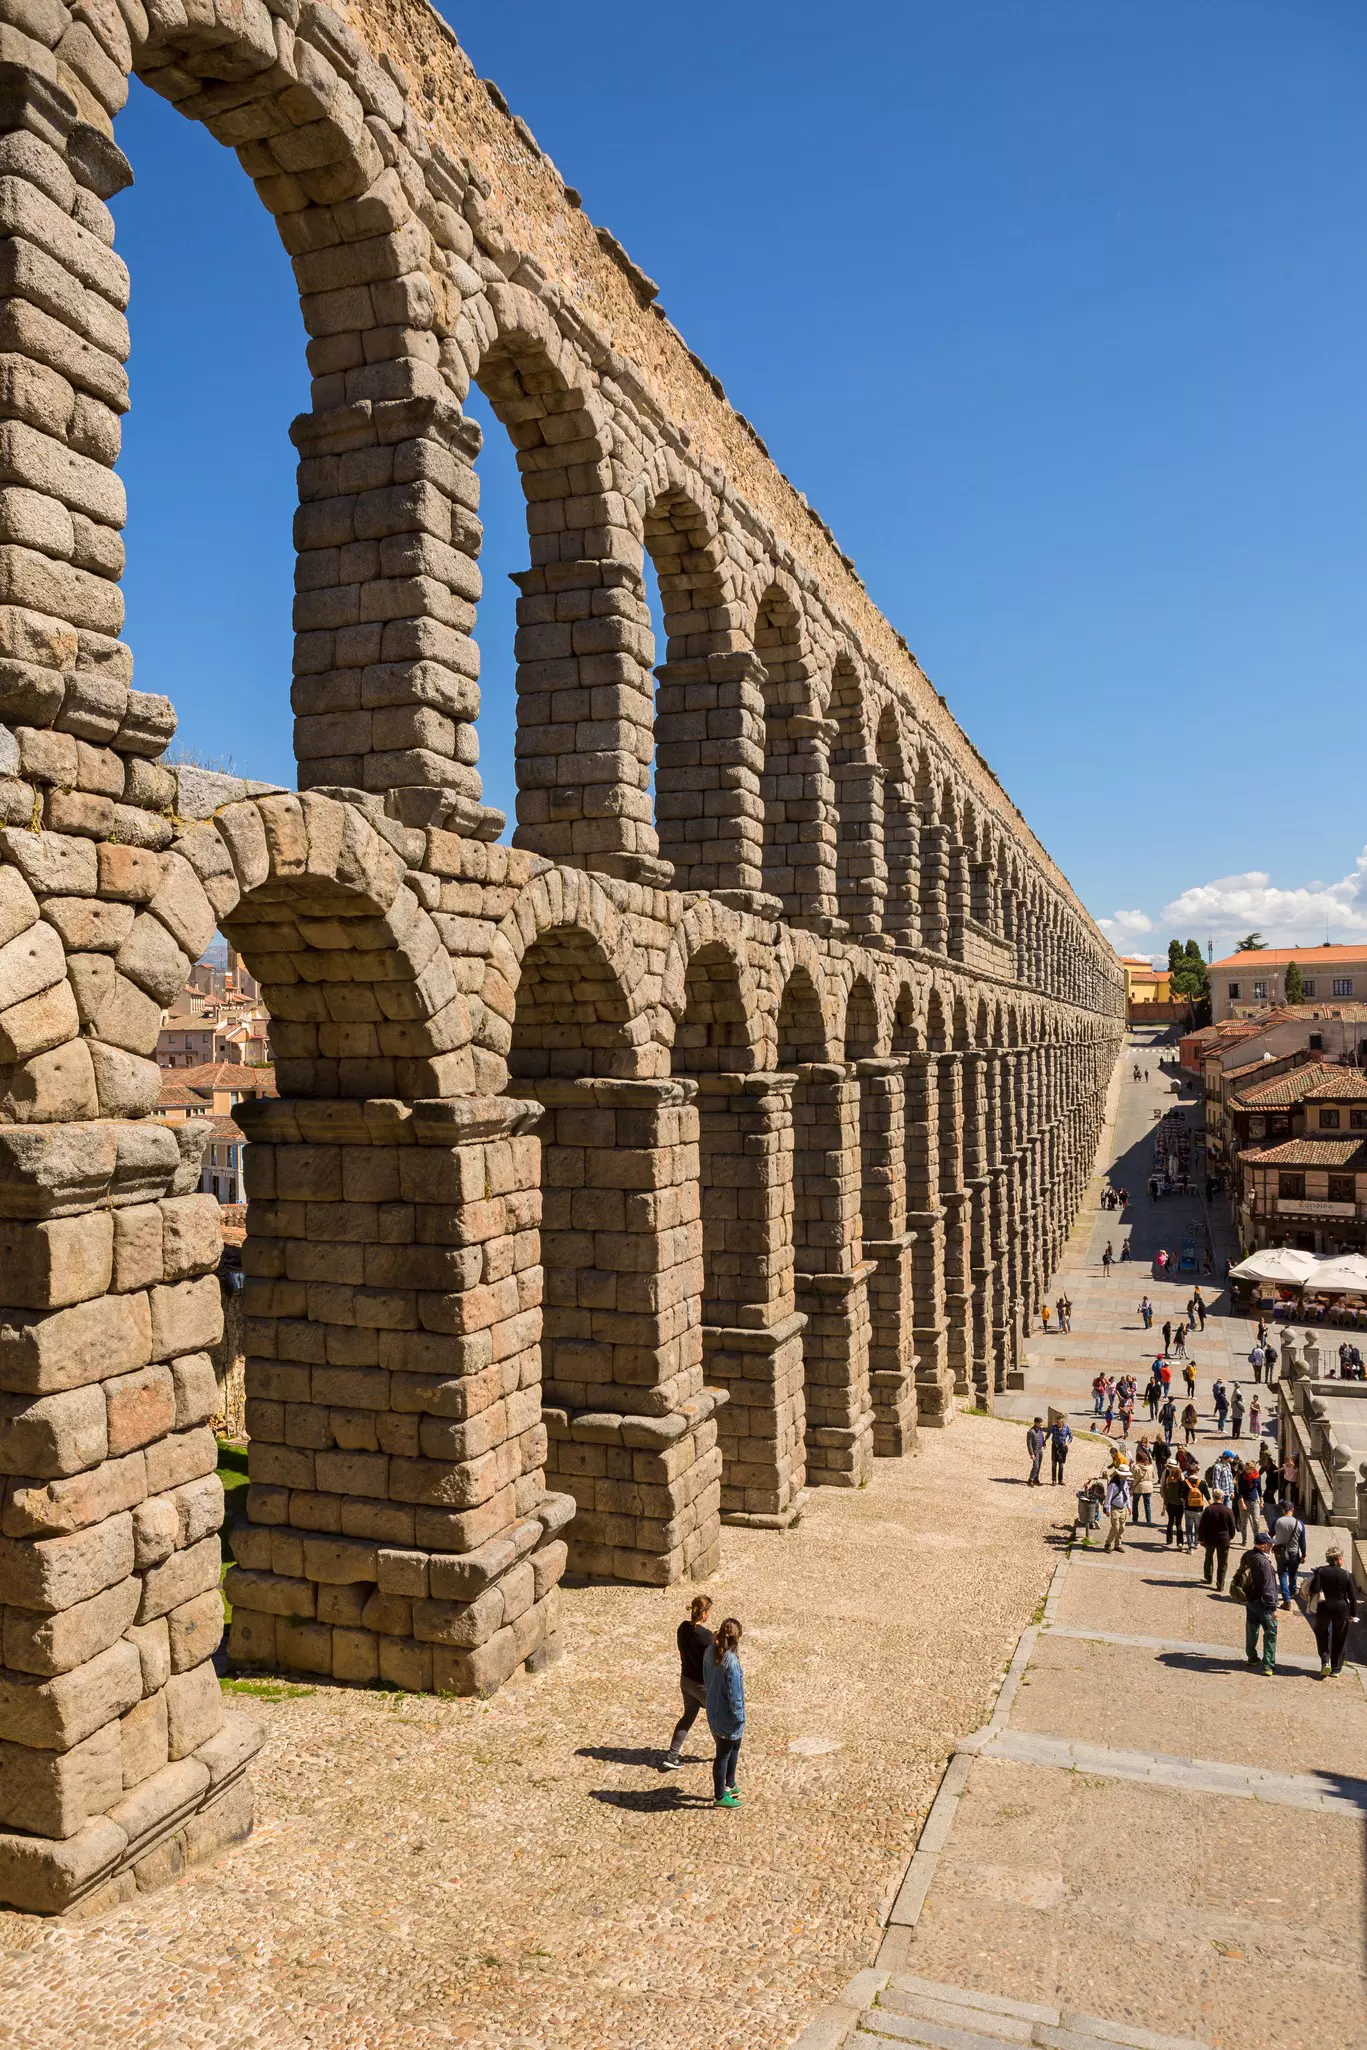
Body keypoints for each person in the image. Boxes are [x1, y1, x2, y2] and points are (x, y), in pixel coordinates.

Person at [660, 1594, 714, 1770]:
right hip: (701, 1684)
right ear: (704, 1614)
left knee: (688, 1716)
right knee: (717, 1716)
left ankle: (672, 1755)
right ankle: (725, 1752)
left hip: (686, 1681)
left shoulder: (682, 1628)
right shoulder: (706, 1637)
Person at [703, 1617, 745, 1807]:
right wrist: (740, 1718)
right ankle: (720, 1796)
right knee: (723, 1754)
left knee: (733, 1747)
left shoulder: (710, 1651)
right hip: (727, 1716)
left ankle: (730, 1783)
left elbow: (705, 1677)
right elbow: (735, 1696)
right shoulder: (732, 1663)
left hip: (712, 1708)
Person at [1305, 1544, 1358, 1677]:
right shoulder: (1346, 1574)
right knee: (1339, 1638)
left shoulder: (1321, 1571)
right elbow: (1352, 1597)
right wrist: (1353, 1614)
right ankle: (1336, 1669)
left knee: (1321, 1632)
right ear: (1338, 1559)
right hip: (1341, 1608)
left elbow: (1315, 1589)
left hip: (1324, 1606)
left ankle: (1325, 1661)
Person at [1236, 1534, 1280, 1675]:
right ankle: (1268, 1665)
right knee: (1270, 1634)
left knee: (1252, 1630)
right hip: (1265, 1604)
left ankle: (1252, 1657)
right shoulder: (1264, 1563)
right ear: (1263, 1546)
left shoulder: (1248, 1555)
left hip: (1251, 1601)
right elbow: (1268, 1587)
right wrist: (1274, 1607)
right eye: (1270, 1544)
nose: (1272, 1546)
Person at [1270, 1501, 1305, 1611]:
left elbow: (1270, 1535)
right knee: (1293, 1573)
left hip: (1280, 1552)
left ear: (1283, 1510)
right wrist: (1303, 1554)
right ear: (1292, 1510)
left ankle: (1286, 1600)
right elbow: (1302, 1542)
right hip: (1294, 1552)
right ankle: (1293, 1590)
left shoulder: (1277, 1521)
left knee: (1282, 1575)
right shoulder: (1299, 1523)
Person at [1198, 1491, 1235, 1592]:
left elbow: (1202, 1526)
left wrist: (1201, 1539)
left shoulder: (1208, 1509)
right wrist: (1230, 1537)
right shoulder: (1228, 1510)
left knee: (1209, 1557)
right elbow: (1232, 1527)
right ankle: (1220, 1584)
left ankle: (1208, 1576)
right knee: (1223, 1563)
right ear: (1222, 1497)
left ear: (1213, 1497)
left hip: (1210, 1539)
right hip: (1224, 1539)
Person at [1103, 1462, 1131, 1552]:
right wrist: (1107, 1509)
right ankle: (1108, 1544)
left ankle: (1117, 1544)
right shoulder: (1113, 1484)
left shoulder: (1125, 1482)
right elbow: (1108, 1497)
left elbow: (1126, 1494)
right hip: (1114, 1508)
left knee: (1122, 1528)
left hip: (1123, 1508)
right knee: (1115, 1527)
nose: (1127, 1477)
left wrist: (1129, 1506)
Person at [1235, 1461, 1264, 1546]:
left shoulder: (1257, 1476)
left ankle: (1256, 1540)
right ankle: (1244, 1540)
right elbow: (1239, 1491)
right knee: (1244, 1522)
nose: (1245, 1469)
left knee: (1256, 1521)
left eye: (1247, 1469)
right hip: (1244, 1501)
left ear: (1253, 1469)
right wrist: (1242, 1503)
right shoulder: (1241, 1476)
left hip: (1254, 1501)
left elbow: (1259, 1489)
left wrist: (1261, 1501)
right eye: (1245, 1468)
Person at [1161, 1455, 1187, 1549]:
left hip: (1170, 1505)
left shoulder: (1169, 1483)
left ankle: (1169, 1540)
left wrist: (1164, 1507)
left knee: (1170, 1522)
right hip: (1179, 1505)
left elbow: (1166, 1496)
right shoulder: (1181, 1483)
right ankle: (1180, 1542)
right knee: (1179, 1524)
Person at [1130, 1439, 1155, 1525]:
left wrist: (1132, 1466)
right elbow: (1153, 1476)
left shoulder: (1136, 1467)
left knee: (1135, 1503)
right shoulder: (1150, 1467)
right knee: (1147, 1504)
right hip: (1148, 1487)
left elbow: (1132, 1476)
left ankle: (1135, 1518)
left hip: (1138, 1487)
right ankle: (1149, 1520)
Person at [1183, 1465, 1205, 1551]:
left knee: (1188, 1528)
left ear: (1188, 1472)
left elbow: (1181, 1495)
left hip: (1188, 1508)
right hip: (1199, 1509)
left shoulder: (1184, 1483)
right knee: (1198, 1527)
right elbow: (1207, 1496)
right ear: (1196, 1472)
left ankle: (1190, 1546)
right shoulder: (1202, 1483)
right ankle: (1196, 1542)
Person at [1050, 1416, 1072, 1485]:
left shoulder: (1066, 1427)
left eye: (1058, 1422)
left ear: (1062, 1422)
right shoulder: (1053, 1427)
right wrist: (1044, 1441)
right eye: (1056, 1422)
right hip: (1054, 1447)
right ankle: (1054, 1480)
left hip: (1062, 1448)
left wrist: (1067, 1443)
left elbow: (1071, 1436)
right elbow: (1048, 1434)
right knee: (1054, 1464)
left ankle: (1060, 1480)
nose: (1057, 1423)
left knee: (1061, 1465)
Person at [1026, 1417, 1046, 1486]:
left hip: (1040, 1450)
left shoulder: (1040, 1429)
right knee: (1036, 1466)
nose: (1041, 1424)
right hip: (1035, 1451)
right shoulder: (1031, 1432)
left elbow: (1042, 1437)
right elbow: (1029, 1444)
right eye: (1040, 1423)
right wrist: (1031, 1454)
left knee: (1039, 1465)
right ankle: (1030, 1480)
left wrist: (1044, 1444)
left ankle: (1036, 1479)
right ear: (1036, 1423)